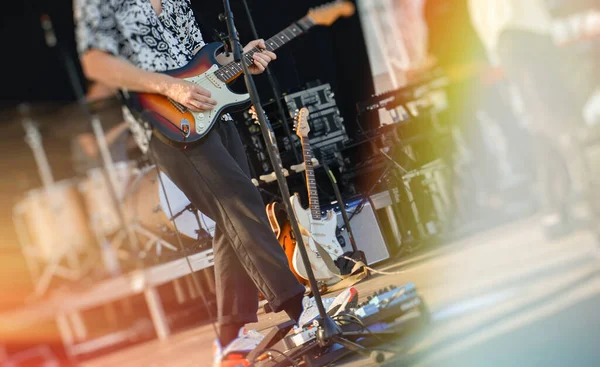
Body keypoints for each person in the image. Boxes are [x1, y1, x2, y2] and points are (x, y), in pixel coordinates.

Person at [73, 0, 357, 365]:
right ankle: (298, 306)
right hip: (167, 123)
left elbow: (199, 58)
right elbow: (96, 62)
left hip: (212, 110)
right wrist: (169, 87)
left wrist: (239, 62)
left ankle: (229, 337)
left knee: (230, 219)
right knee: (240, 202)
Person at [468, 0, 589, 235]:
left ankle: (557, 207)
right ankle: (577, 195)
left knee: (542, 122)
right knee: (553, 119)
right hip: (524, 36)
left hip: (516, 38)